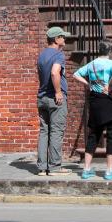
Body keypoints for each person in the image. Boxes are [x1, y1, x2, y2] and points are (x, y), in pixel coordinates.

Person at [73, 39, 112, 180]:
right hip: (108, 99)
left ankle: (86, 169)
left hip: (95, 101)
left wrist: (88, 83)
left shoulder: (91, 64)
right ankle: (109, 171)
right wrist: (109, 85)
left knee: (93, 135)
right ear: (111, 51)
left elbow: (76, 74)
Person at [35, 26, 73, 175]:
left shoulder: (42, 55)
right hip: (54, 99)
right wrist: (58, 92)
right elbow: (54, 72)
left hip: (42, 98)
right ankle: (55, 167)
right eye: (62, 37)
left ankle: (42, 168)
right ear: (56, 39)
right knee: (56, 132)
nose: (64, 39)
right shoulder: (58, 55)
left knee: (44, 132)